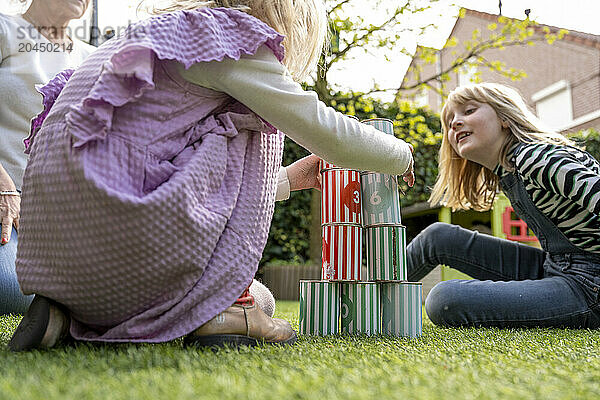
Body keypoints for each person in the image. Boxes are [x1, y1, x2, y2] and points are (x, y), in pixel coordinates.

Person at [8, 0, 414, 351]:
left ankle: (69, 315)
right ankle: (232, 308)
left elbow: (150, 163)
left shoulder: (145, 37)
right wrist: (400, 154)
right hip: (126, 245)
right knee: (254, 122)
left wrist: (287, 180)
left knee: (265, 296)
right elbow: (322, 129)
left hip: (58, 258)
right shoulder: (231, 40)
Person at [407, 82, 600, 329]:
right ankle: (367, 297)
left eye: (468, 111)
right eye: (449, 121)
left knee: (444, 299)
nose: (455, 123)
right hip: (554, 266)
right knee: (438, 236)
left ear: (504, 118)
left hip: (589, 285)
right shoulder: (508, 169)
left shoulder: (534, 157)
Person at [0, 0, 95, 315]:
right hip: (5, 202)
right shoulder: (5, 29)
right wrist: (3, 186)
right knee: (10, 289)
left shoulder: (94, 58)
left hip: (61, 217)